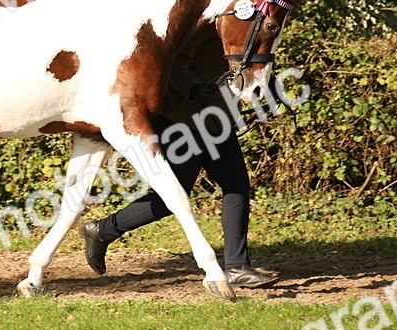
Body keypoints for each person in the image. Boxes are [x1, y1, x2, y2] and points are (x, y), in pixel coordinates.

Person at [80, 25, 279, 290]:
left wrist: (269, 84)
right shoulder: (206, 24)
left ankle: (237, 267)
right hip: (182, 121)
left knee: (236, 186)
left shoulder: (241, 27)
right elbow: (175, 63)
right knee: (173, 196)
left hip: (216, 121)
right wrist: (193, 90)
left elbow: (246, 66)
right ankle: (103, 230)